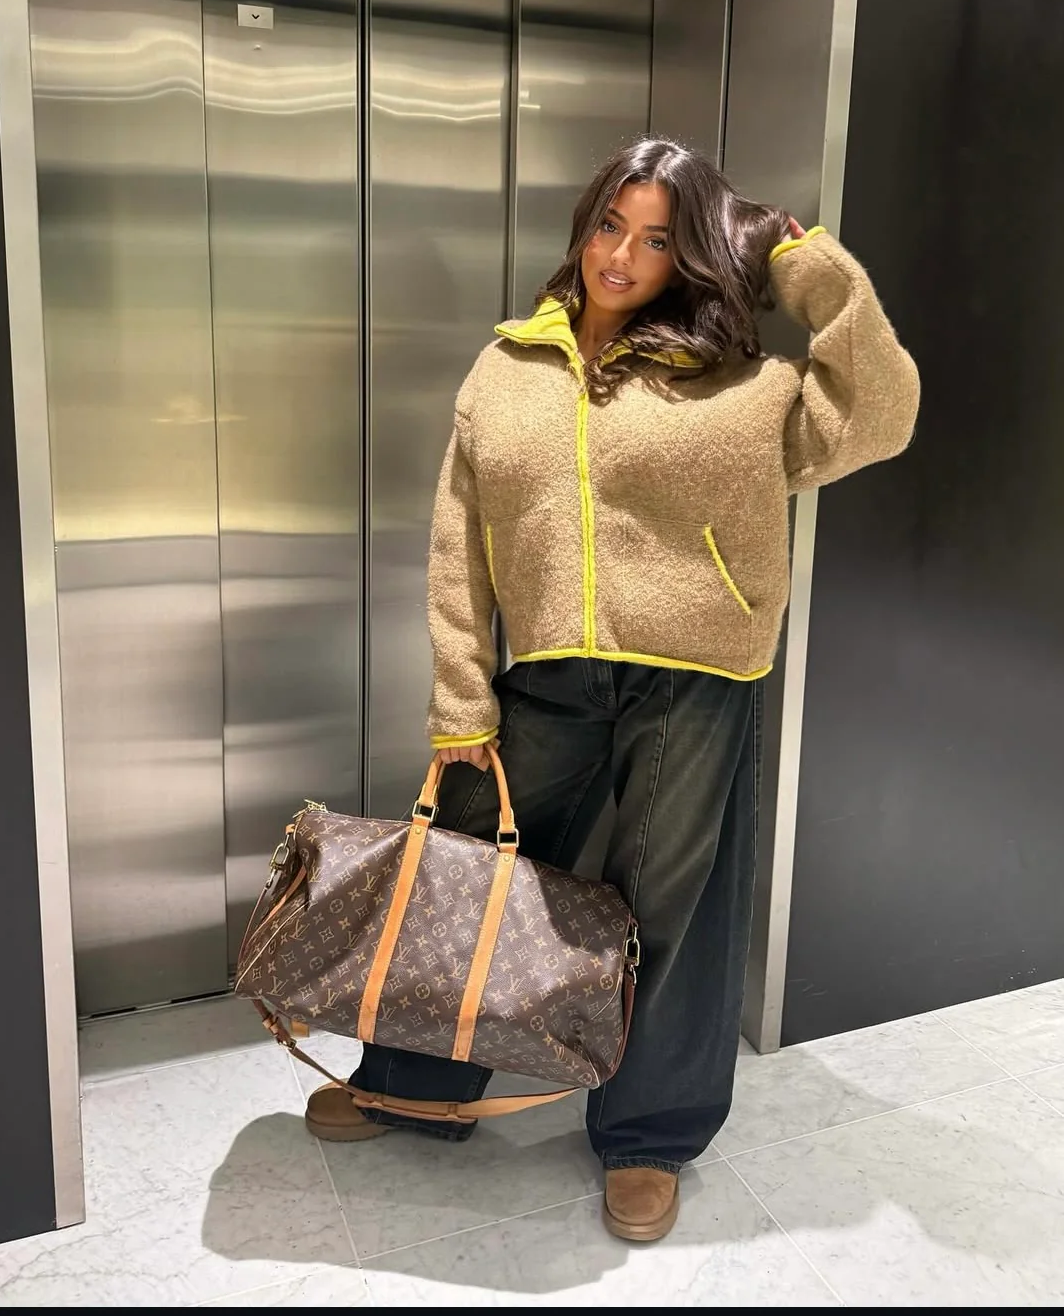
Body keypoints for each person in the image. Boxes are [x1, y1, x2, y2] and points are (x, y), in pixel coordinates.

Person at [304, 137, 920, 1242]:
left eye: (656, 239)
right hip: (546, 674)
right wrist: (459, 698)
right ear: (583, 226)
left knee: (673, 905)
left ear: (692, 255)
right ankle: (414, 1085)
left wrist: (804, 265)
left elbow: (880, 413)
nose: (621, 256)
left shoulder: (746, 384)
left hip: (699, 678)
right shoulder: (505, 369)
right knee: (470, 876)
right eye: (608, 226)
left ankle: (648, 1132)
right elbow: (457, 541)